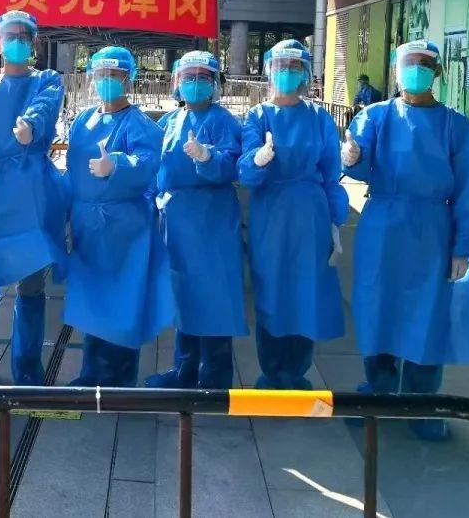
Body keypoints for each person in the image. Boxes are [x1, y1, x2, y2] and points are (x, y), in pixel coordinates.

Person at [342, 39, 469, 440]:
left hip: (432, 232)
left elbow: (467, 190)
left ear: (436, 72)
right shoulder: (376, 116)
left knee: (427, 316)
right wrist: (351, 158)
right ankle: (378, 396)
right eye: (410, 62)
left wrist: (462, 245)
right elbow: (360, 165)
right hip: (382, 228)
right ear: (396, 68)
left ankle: (421, 404)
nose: (416, 69)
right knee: (378, 310)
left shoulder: (455, 125)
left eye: (424, 63)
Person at [0, 11, 67, 385]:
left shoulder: (46, 80)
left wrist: (30, 126)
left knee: (30, 283)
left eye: (24, 36)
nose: (17, 42)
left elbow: (44, 106)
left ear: (33, 43)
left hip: (30, 191)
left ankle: (27, 365)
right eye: (10, 35)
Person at [239, 39, 347, 390]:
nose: (286, 72)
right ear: (269, 70)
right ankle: (271, 372)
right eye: (281, 66)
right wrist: (258, 160)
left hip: (311, 217)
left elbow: (331, 175)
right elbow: (246, 172)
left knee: (306, 292)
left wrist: (336, 221)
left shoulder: (318, 117)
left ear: (304, 72)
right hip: (270, 217)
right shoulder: (258, 116)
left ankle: (296, 373)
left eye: (294, 67)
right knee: (271, 291)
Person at [65, 46, 173, 387]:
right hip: (87, 225)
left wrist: (117, 165)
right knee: (93, 301)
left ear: (129, 78)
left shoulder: (140, 125)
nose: (107, 80)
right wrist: (66, 214)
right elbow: (72, 171)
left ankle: (120, 381)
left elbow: (148, 164)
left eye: (115, 74)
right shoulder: (84, 120)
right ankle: (91, 374)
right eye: (101, 74)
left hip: (124, 228)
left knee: (123, 302)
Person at [146, 51, 246, 389]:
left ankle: (215, 377)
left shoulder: (224, 121)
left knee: (215, 297)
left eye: (204, 77)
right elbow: (156, 169)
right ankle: (184, 370)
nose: (195, 83)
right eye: (189, 76)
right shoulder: (169, 122)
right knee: (184, 295)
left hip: (212, 220)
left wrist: (207, 157)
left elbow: (233, 165)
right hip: (176, 220)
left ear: (215, 84)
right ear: (177, 82)